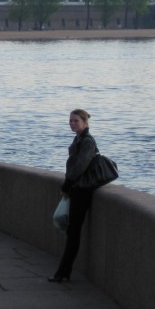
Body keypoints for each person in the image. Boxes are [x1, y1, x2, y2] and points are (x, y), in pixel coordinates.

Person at [49, 109, 98, 283]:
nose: (72, 124)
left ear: (85, 123)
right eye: (70, 121)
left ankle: (63, 271)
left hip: (82, 191)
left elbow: (80, 166)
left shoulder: (87, 141)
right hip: (77, 189)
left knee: (73, 232)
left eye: (76, 121)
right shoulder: (79, 139)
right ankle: (63, 271)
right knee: (71, 231)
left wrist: (67, 184)